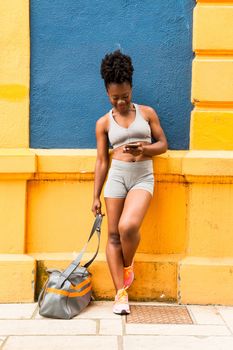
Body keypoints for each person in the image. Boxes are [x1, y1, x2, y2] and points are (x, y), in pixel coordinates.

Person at [92, 50, 167, 315]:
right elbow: (102, 161)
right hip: (116, 177)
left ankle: (128, 264)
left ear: (131, 89)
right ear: (107, 93)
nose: (121, 102)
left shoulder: (147, 113)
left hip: (142, 176)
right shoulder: (103, 123)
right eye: (115, 98)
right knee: (112, 235)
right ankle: (120, 295)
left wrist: (144, 150)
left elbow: (163, 145)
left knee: (128, 225)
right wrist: (94, 197)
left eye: (125, 96)